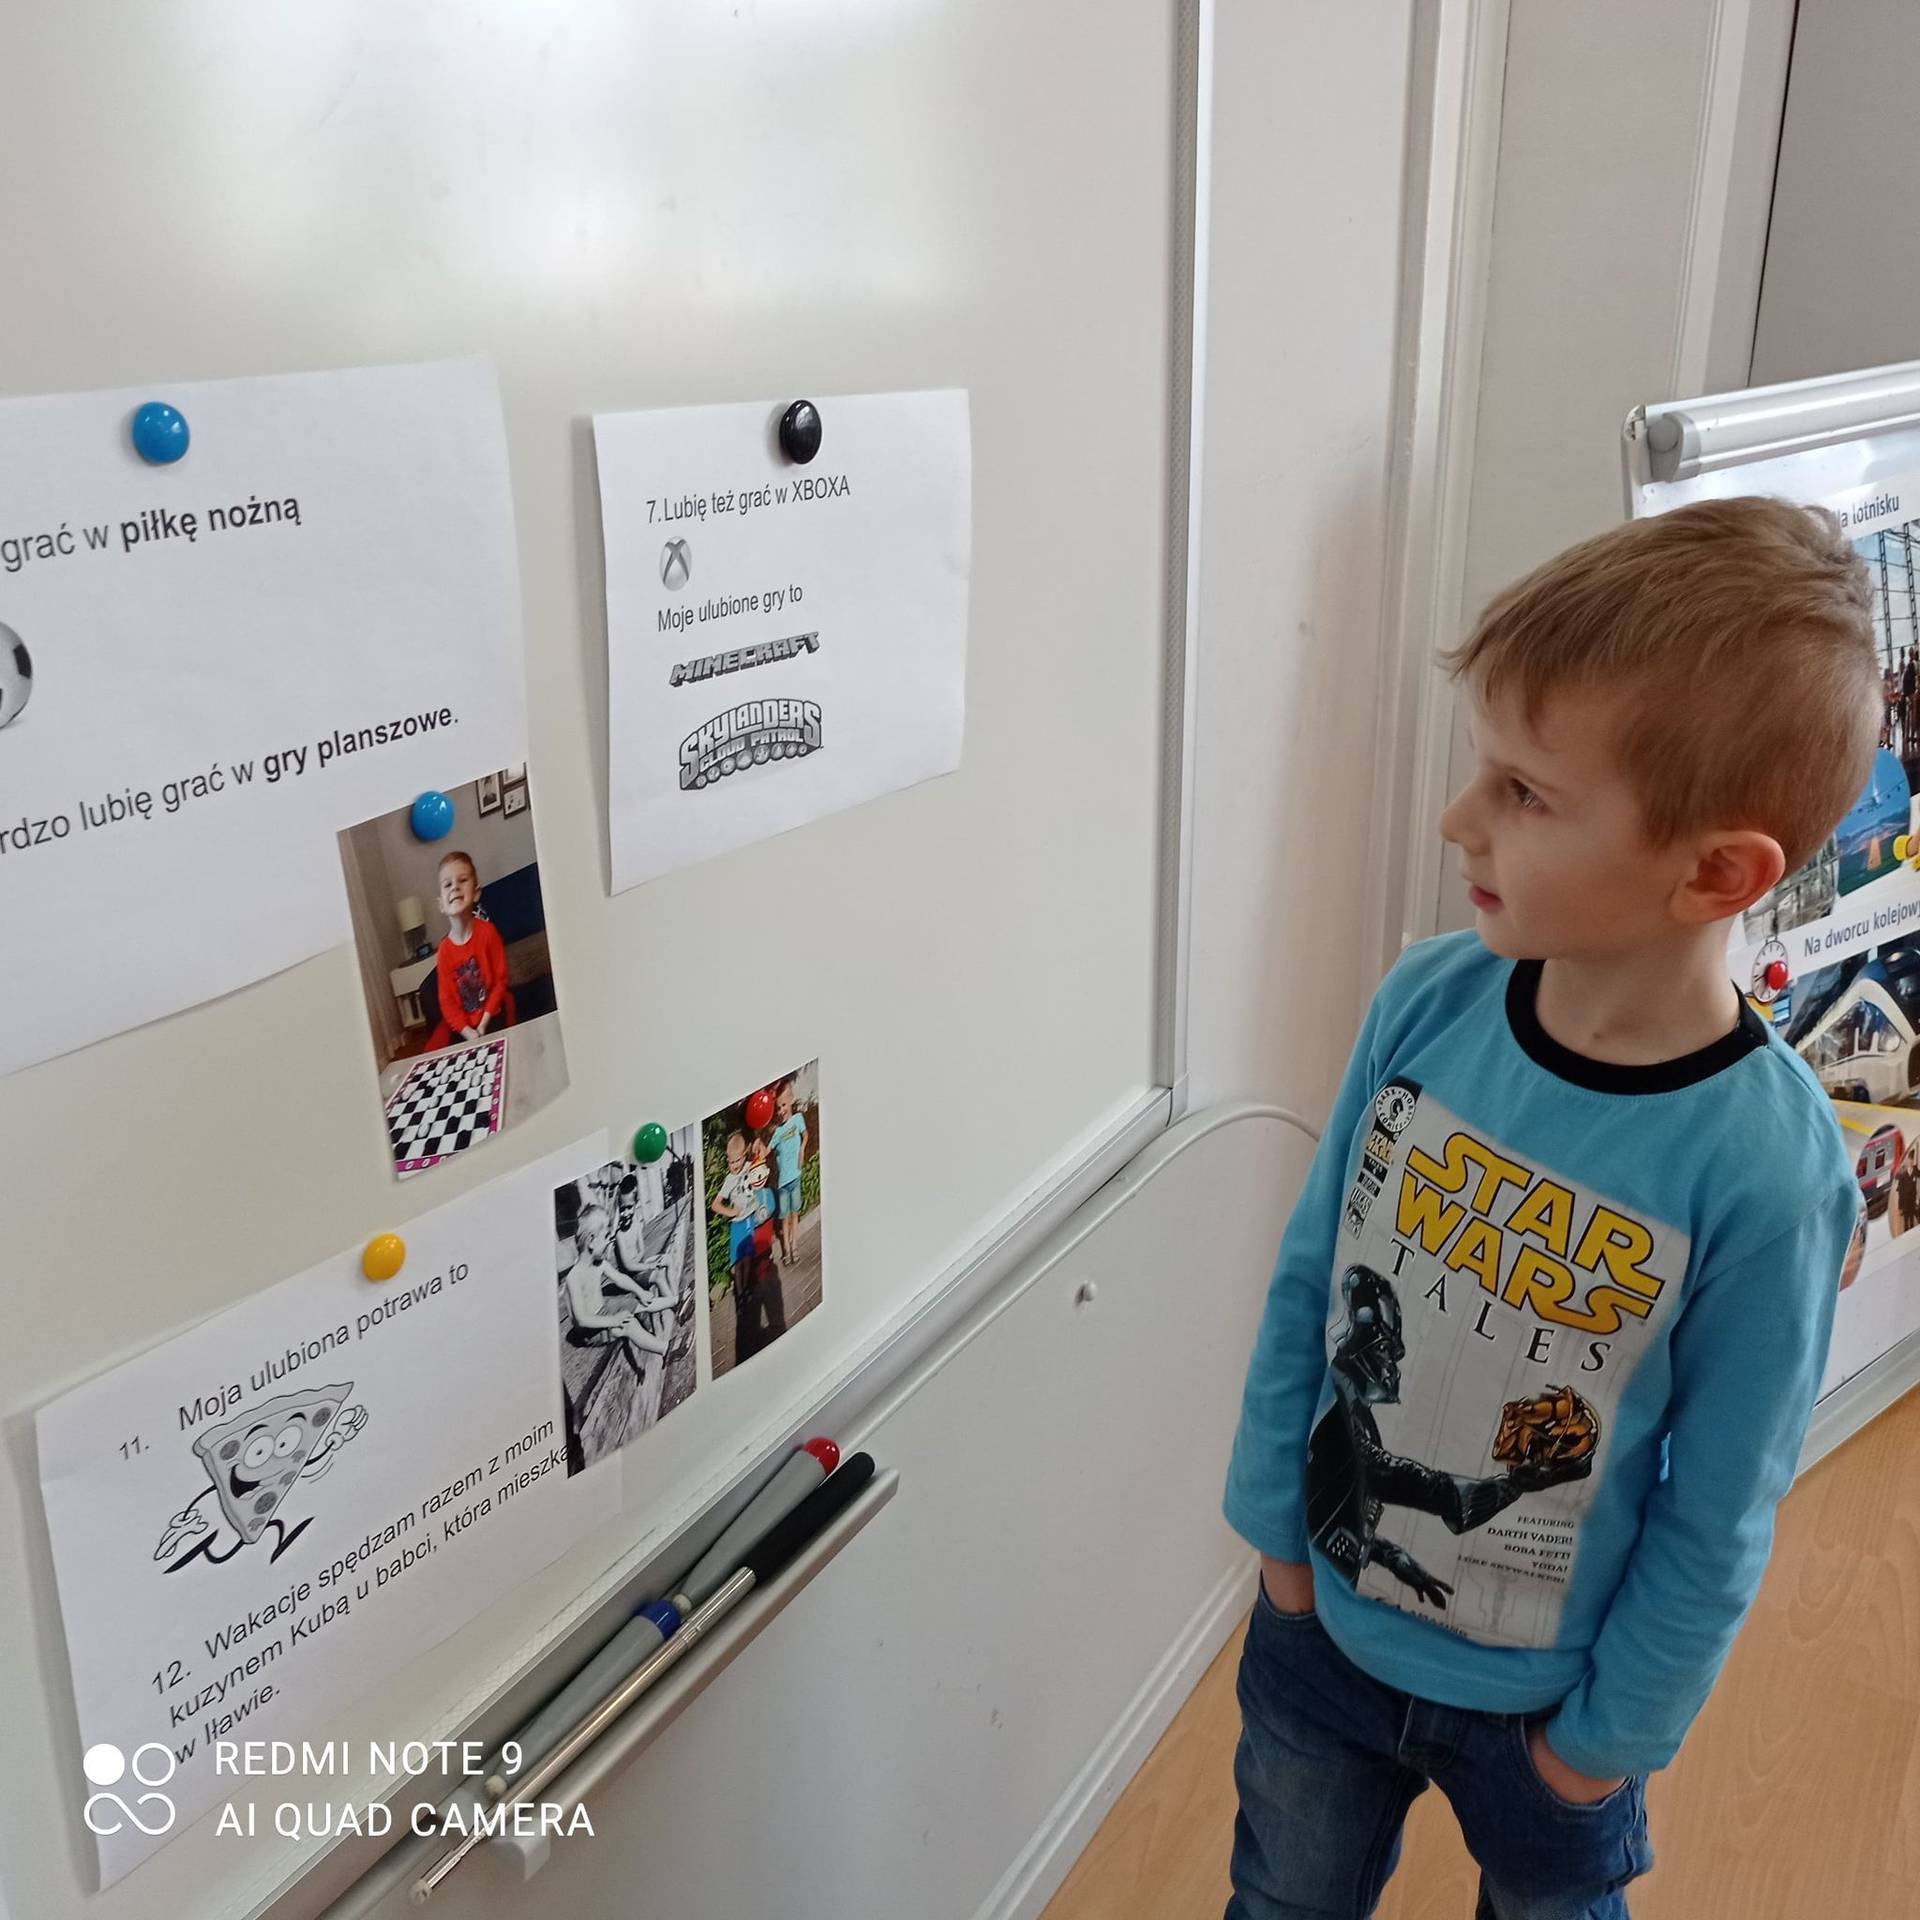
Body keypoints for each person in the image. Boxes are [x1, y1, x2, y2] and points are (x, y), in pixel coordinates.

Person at [1223, 497, 1874, 1920]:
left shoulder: (1767, 1171)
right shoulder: (1425, 1003)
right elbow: (1309, 1280)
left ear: (1716, 872)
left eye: (1524, 793)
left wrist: (1596, 1756)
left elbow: (1721, 1503)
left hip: (1550, 1719)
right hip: (1320, 1643)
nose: (1459, 819)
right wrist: (1281, 1555)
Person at [423, 850, 515, 1049]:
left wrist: (483, 1023)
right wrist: (467, 1031)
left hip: (491, 1018)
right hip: (462, 1029)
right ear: (441, 905)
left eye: (462, 880)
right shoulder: (444, 950)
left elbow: (500, 981)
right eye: (447, 884)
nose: (455, 886)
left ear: (476, 893)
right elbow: (447, 1002)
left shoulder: (488, 932)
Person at [563, 1206, 673, 1352]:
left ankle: (676, 1300)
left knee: (638, 1303)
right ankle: (667, 1350)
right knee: (629, 1324)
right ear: (592, 1241)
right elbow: (581, 1319)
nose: (609, 1242)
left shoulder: (599, 1263)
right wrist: (613, 1320)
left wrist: (640, 1291)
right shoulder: (574, 1277)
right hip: (589, 1330)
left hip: (604, 1309)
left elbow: (621, 1279)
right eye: (606, 1237)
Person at [769, 1081, 809, 1264]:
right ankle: (786, 1250)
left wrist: (802, 1149)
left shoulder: (798, 1119)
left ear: (791, 1100)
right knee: (785, 1218)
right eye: (778, 1108)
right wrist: (758, 1146)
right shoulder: (778, 1132)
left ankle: (795, 1247)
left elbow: (805, 1135)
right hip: (783, 1183)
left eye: (783, 1105)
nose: (781, 1111)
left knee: (795, 1214)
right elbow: (767, 1150)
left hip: (796, 1178)